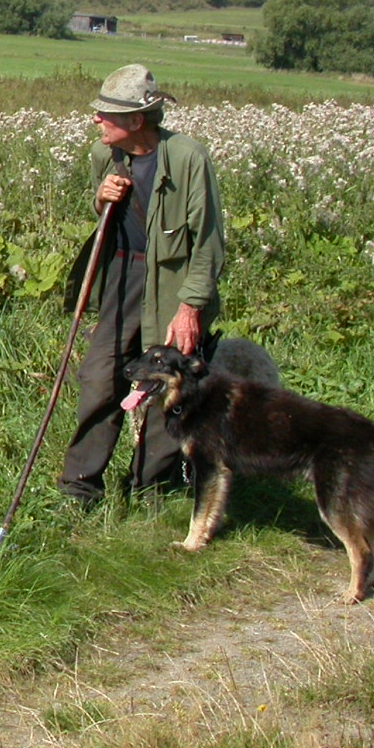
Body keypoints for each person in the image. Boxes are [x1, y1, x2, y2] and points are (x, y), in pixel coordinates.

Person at [58, 64, 225, 505]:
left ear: (136, 121)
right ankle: (79, 491)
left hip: (173, 285)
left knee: (166, 389)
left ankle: (152, 490)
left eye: (106, 113)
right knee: (99, 380)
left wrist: (190, 308)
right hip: (122, 278)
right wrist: (101, 198)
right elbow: (106, 217)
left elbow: (207, 240)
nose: (96, 120)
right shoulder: (105, 156)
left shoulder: (189, 158)